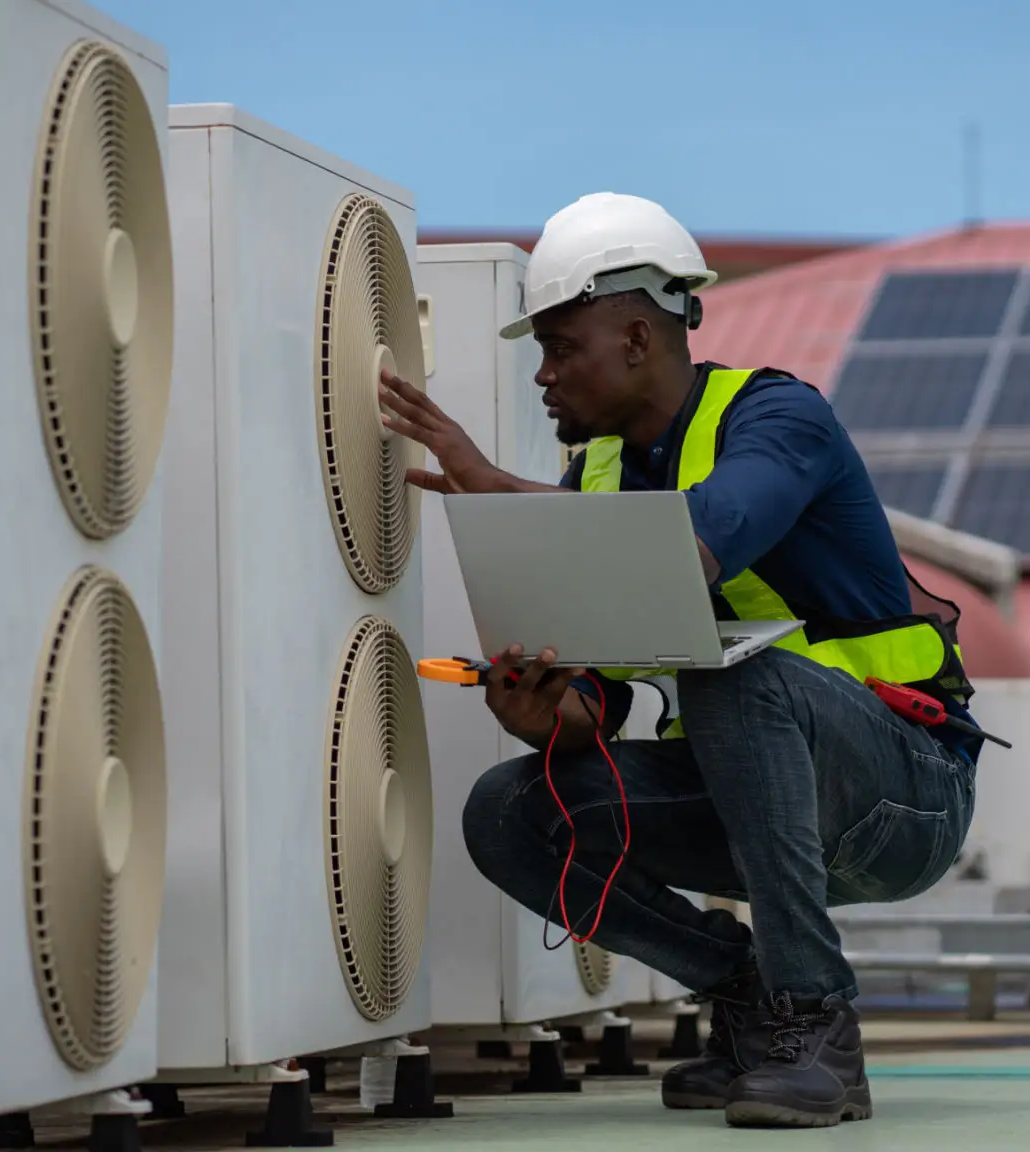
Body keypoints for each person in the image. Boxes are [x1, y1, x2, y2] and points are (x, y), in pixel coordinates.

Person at [377, 192, 981, 1130]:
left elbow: (698, 542)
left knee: (736, 671)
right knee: (508, 811)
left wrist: (498, 491)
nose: (544, 377)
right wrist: (548, 715)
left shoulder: (779, 418)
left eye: (560, 349)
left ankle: (815, 1018)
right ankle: (745, 994)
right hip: (754, 799)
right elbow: (604, 706)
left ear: (634, 337)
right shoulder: (602, 474)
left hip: (905, 795)